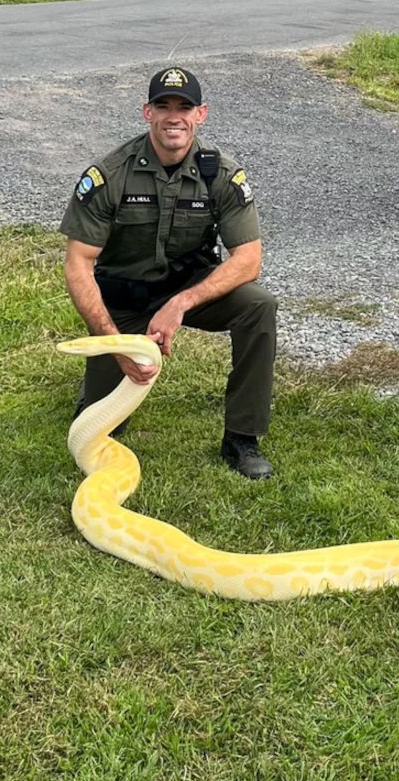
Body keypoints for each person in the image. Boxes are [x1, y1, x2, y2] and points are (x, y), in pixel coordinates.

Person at [60, 66, 276, 479]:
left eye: (184, 107)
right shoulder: (109, 175)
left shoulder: (223, 175)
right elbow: (78, 264)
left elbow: (248, 259)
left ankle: (241, 439)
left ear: (201, 114)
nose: (173, 116)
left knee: (259, 307)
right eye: (163, 106)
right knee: (98, 428)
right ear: (147, 113)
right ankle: (96, 386)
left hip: (188, 289)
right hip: (124, 299)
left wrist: (180, 304)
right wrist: (113, 343)